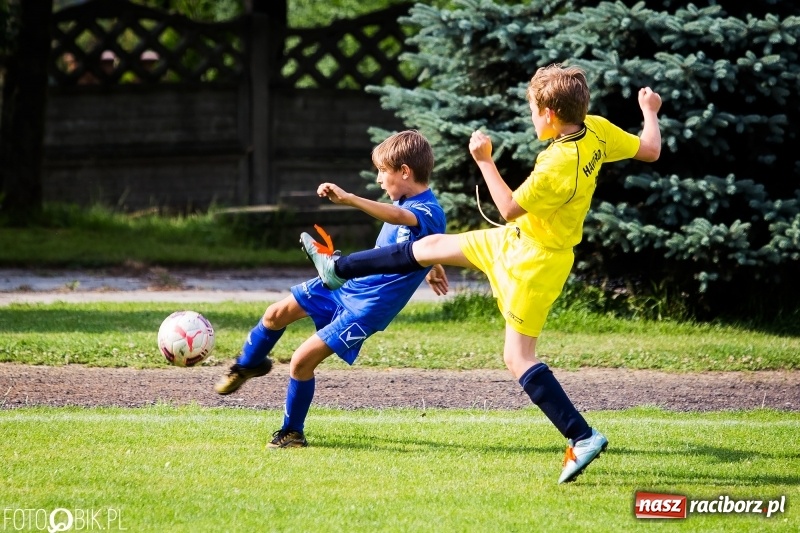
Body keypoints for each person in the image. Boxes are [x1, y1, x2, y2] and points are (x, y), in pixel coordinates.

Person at [301, 64, 662, 483]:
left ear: (547, 113)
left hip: (534, 261)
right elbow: (649, 150)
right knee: (429, 247)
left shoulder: (558, 164)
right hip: (515, 242)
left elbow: (507, 208)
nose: (530, 117)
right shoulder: (595, 129)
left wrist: (485, 161)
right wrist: (649, 111)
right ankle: (337, 268)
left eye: (531, 109)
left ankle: (581, 437)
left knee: (518, 357)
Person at [214, 129, 448, 449]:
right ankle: (248, 365)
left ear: (405, 171)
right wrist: (434, 265)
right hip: (346, 285)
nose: (380, 180)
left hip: (368, 308)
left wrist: (349, 199)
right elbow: (420, 244)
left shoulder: (426, 210)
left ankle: (292, 433)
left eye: (383, 171)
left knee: (301, 361)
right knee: (275, 314)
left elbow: (404, 220)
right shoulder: (406, 202)